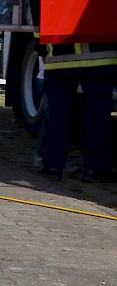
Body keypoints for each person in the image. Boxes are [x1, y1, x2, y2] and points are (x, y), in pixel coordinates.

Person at [39, 43, 117, 182]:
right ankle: (95, 169)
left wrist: (40, 50)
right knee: (97, 117)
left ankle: (52, 166)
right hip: (98, 59)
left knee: (57, 116)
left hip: (58, 58)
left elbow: (38, 29)